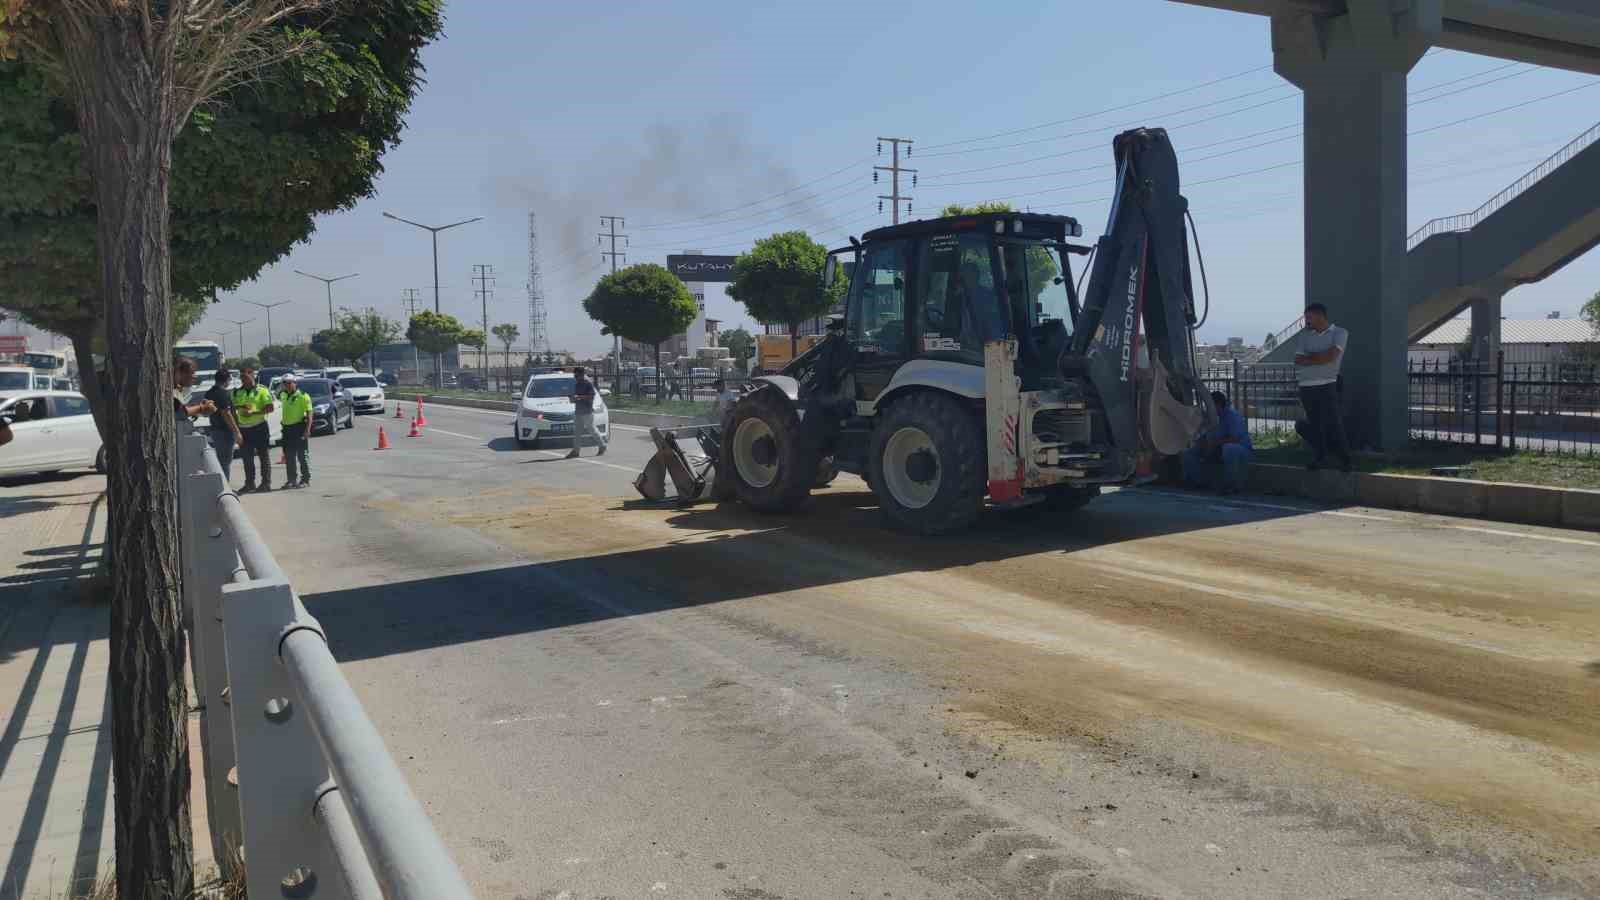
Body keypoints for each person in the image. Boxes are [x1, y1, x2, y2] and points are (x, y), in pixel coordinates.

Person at [1293, 302, 1352, 472]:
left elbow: (1332, 357)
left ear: (1320, 316)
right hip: (1306, 387)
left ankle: (1345, 460)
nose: (1307, 321)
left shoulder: (1340, 333)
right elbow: (1298, 360)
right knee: (1315, 425)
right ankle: (1320, 457)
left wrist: (1311, 358)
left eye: (1309, 317)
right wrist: (1320, 357)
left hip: (1327, 385)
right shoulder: (1304, 336)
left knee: (1334, 423)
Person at [1182, 391, 1253, 494]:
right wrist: (1200, 443)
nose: (1207, 408)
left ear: (1218, 405)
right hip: (1217, 449)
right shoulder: (1211, 417)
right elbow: (1205, 436)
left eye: (1210, 405)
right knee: (1189, 452)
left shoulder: (1232, 416)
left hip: (1240, 450)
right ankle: (1197, 481)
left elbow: (1234, 438)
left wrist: (1214, 443)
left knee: (1229, 449)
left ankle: (1231, 485)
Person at [231, 366, 275, 493]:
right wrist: (236, 427)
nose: (243, 380)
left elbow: (270, 408)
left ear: (252, 375)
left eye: (245, 377)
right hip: (244, 429)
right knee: (247, 457)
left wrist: (254, 413)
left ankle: (266, 483)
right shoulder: (236, 392)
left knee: (263, 456)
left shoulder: (262, 390)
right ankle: (250, 483)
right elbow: (233, 409)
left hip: (259, 427)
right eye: (241, 377)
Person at [204, 365, 243, 481]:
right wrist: (237, 432)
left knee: (222, 461)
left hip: (215, 430)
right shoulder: (223, 393)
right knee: (225, 462)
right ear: (226, 380)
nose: (229, 382)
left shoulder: (209, 392)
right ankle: (225, 488)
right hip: (225, 432)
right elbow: (226, 413)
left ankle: (223, 486)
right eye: (229, 380)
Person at [276, 374, 314, 489]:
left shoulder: (303, 396)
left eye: (289, 382)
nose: (287, 385)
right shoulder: (282, 395)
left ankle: (305, 479)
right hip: (287, 429)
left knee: (302, 455)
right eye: (285, 383)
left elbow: (310, 414)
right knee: (289, 456)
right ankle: (291, 480)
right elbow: (275, 395)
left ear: (295, 383)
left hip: (299, 428)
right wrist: (280, 386)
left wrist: (307, 430)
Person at [567, 366, 607, 459]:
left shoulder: (587, 384)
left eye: (577, 375)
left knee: (591, 429)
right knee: (577, 432)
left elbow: (591, 396)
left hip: (587, 411)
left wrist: (579, 397)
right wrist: (573, 399)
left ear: (582, 375)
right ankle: (576, 451)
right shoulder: (577, 384)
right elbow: (578, 397)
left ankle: (602, 445)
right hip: (578, 411)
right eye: (574, 376)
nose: (575, 377)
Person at [173, 357, 215, 423]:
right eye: (192, 372)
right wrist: (202, 408)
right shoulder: (172, 391)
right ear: (179, 373)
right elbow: (180, 413)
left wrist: (197, 409)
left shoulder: (177, 389)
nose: (195, 376)